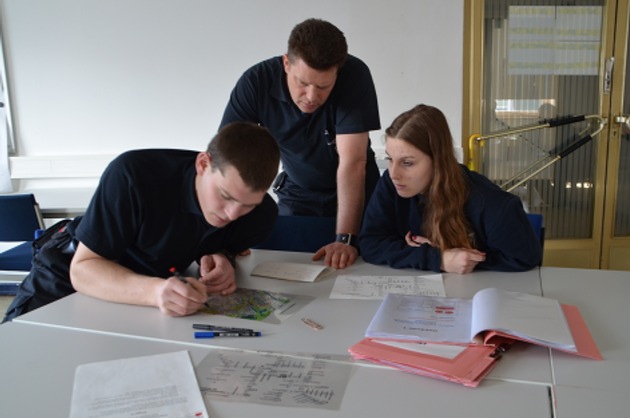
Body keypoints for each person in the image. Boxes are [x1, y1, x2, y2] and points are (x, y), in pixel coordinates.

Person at [3, 122, 280, 322]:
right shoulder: (133, 176)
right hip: (70, 273)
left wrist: (222, 256)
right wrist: (156, 291)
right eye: (224, 196)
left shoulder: (259, 216)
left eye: (247, 205)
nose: (232, 214)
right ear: (203, 164)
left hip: (143, 298)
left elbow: (222, 242)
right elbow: (84, 270)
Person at [220, 18, 381, 269]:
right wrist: (225, 233)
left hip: (358, 191)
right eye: (302, 83)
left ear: (338, 71)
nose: (311, 97)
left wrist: (345, 239)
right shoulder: (255, 83)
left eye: (323, 86)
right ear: (287, 63)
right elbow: (229, 158)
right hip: (298, 191)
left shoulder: (355, 75)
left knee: (358, 269)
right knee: (293, 270)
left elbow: (352, 161)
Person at [359, 104, 542, 274]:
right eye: (390, 158)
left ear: (438, 161)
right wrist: (438, 258)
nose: (393, 173)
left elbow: (525, 258)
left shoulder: (493, 204)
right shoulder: (391, 184)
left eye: (407, 163)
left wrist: (460, 259)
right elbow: (370, 243)